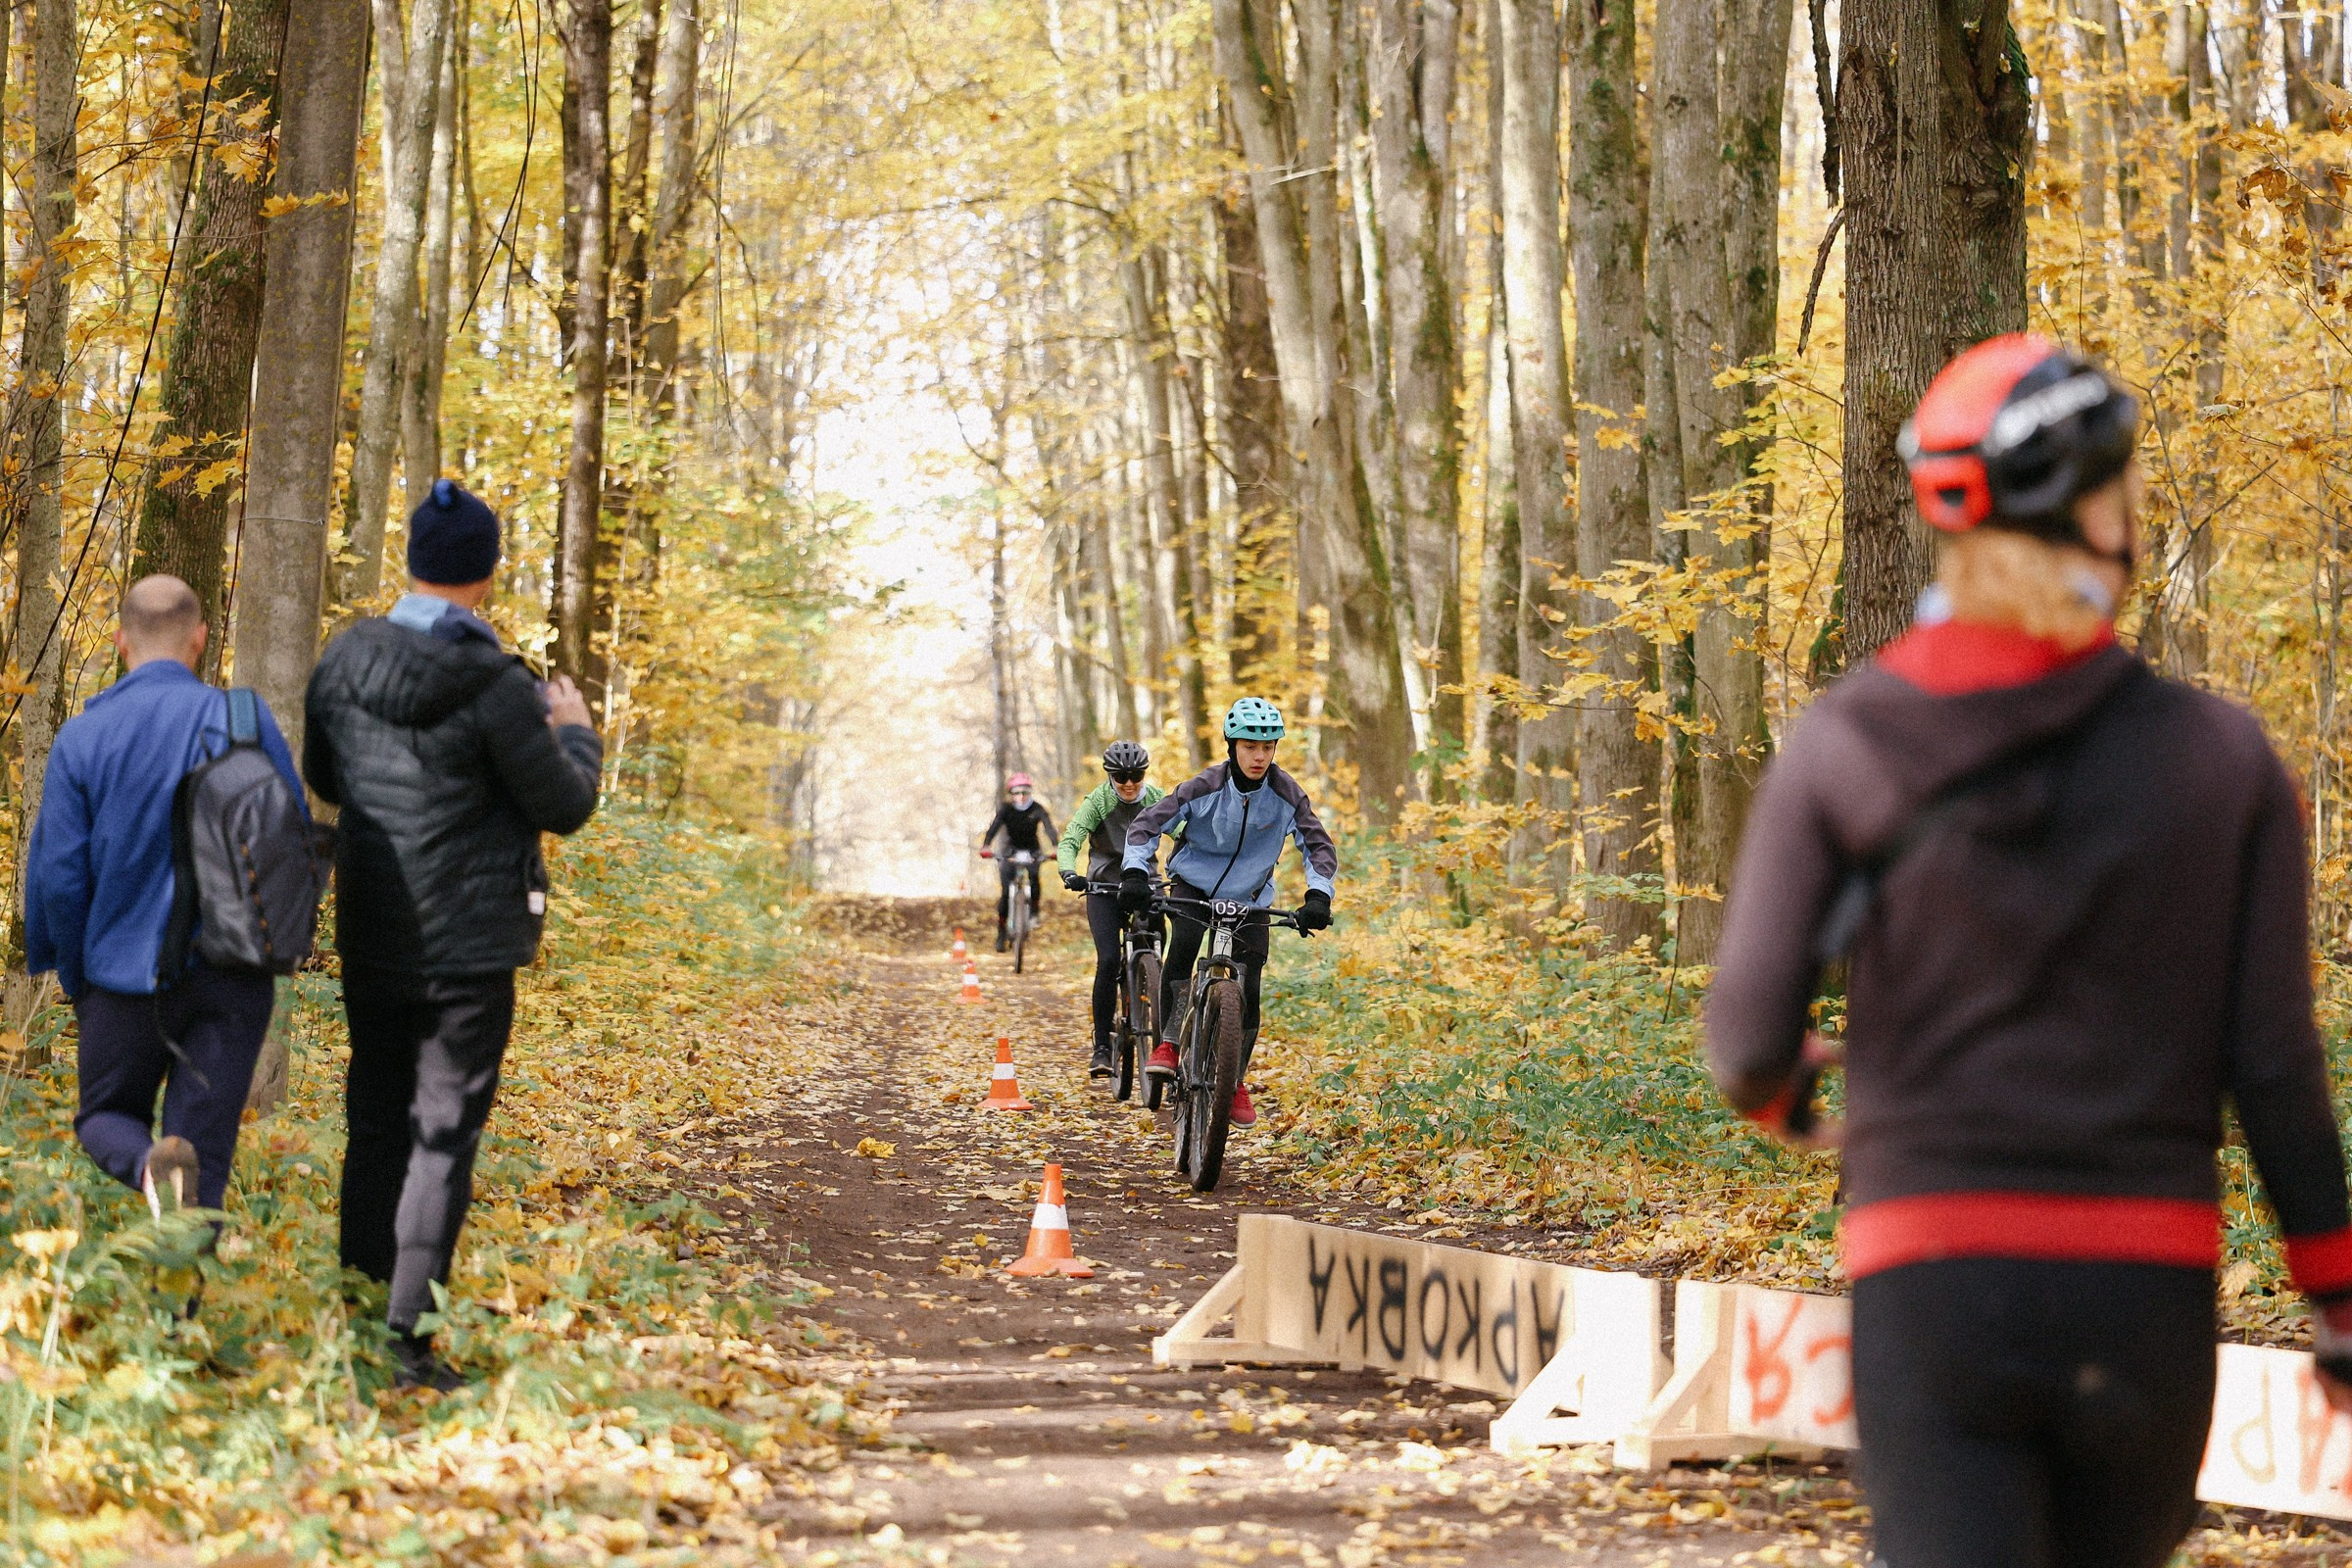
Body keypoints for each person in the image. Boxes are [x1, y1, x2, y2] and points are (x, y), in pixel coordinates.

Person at [1705, 334, 2352, 1568]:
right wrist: (2336, 1295)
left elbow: (1743, 1041)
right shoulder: (2225, 762)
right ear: (2097, 510)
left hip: (1932, 1281)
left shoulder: (1848, 744)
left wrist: (1791, 1093)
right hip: (2144, 1292)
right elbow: (2274, 1066)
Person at [305, 479, 603, 1392]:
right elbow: (564, 803)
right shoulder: (497, 683)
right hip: (469, 952)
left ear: (410, 561)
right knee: (439, 1141)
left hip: (374, 931)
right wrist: (579, 733)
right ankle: (403, 1345)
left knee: (373, 1126)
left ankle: (359, 1329)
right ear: (488, 571)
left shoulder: (345, 658)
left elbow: (324, 773)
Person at [24, 575, 302, 1227]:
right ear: (200, 640)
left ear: (122, 641)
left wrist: (75, 976)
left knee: (104, 1119)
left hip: (122, 982)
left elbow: (60, 876)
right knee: (202, 1160)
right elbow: (289, 839)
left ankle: (149, 1166)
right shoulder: (245, 719)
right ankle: (181, 1325)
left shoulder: (83, 739)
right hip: (231, 976)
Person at [1120, 698, 1335, 1127]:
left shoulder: (1287, 795)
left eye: (1268, 747)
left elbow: (1318, 846)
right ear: (1231, 745)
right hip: (1193, 886)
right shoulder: (1204, 786)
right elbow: (1146, 825)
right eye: (1250, 746)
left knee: (1249, 982)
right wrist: (1133, 873)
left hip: (1251, 896)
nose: (1260, 756)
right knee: (1182, 941)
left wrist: (1319, 896)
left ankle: (1233, 1080)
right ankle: (1168, 1042)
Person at [1056, 740, 1170, 1077]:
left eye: (1137, 775)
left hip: (1147, 882)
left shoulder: (1156, 800)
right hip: (1103, 886)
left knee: (1160, 947)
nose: (1130, 783)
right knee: (1107, 959)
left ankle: (1156, 1014)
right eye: (1121, 777)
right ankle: (1102, 1045)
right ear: (1110, 776)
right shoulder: (1098, 802)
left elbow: (1183, 832)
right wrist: (1068, 871)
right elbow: (1071, 839)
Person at [977, 772, 1054, 952]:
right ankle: (1002, 932)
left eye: (1025, 792)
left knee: (1034, 877)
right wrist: (986, 845)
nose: (1021, 796)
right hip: (1010, 850)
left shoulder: (1037, 809)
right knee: (1005, 892)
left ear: (1030, 793)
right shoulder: (1006, 809)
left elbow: (1048, 827)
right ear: (1011, 794)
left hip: (1032, 849)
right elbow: (994, 826)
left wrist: (1056, 846)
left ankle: (1034, 912)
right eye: (1017, 793)